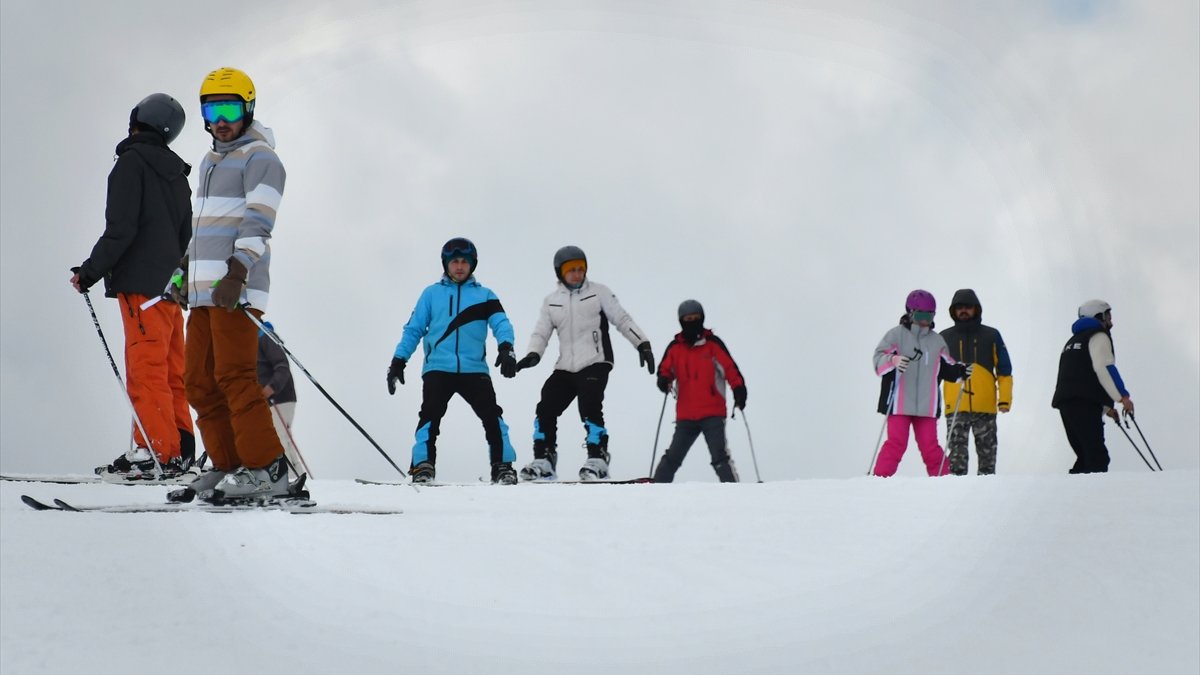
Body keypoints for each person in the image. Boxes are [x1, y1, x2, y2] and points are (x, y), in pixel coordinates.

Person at [71, 92, 195, 478]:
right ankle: (179, 449)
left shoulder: (131, 164)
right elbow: (186, 238)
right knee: (171, 370)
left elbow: (121, 230)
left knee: (146, 369)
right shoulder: (178, 177)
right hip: (171, 290)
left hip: (141, 288)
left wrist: (89, 272)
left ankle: (155, 452)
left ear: (137, 119)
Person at [182, 67, 289, 499]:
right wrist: (183, 271)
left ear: (248, 109)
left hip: (235, 289)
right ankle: (228, 464)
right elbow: (204, 226)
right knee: (198, 381)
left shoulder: (261, 158)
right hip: (203, 291)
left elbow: (258, 222)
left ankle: (268, 469)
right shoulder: (210, 162)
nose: (221, 120)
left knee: (235, 376)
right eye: (212, 111)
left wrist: (237, 272)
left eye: (229, 109)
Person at [514, 246, 655, 481]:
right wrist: (533, 354)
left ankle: (598, 458)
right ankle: (544, 459)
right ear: (560, 273)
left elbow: (622, 319)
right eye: (571, 270)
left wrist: (642, 344)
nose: (577, 274)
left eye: (581, 269)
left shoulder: (599, 292)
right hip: (565, 366)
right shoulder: (552, 301)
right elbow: (541, 333)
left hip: (595, 360)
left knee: (589, 404)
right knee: (546, 405)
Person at [387, 237, 520, 485]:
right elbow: (413, 329)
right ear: (446, 264)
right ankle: (422, 466)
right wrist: (398, 361)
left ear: (472, 265)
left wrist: (506, 348)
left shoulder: (485, 295)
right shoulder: (431, 294)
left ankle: (503, 467)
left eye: (464, 262)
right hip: (438, 368)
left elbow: (502, 323)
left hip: (474, 369)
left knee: (492, 417)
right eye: (454, 262)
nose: (459, 266)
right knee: (429, 417)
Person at [871, 290, 968, 477]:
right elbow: (878, 361)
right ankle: (879, 480)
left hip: (926, 405)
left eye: (929, 316)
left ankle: (943, 481)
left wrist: (961, 371)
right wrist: (893, 360)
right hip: (899, 403)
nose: (925, 320)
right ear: (910, 313)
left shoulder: (936, 341)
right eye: (920, 315)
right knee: (896, 443)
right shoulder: (895, 335)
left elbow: (947, 367)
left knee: (930, 446)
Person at [651, 300, 746, 483]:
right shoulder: (675, 348)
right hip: (686, 415)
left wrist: (739, 389)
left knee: (719, 457)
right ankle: (656, 489)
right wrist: (664, 380)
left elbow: (730, 369)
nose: (692, 322)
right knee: (672, 457)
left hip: (713, 413)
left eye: (696, 318)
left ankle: (734, 492)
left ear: (702, 319)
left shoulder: (712, 345)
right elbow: (665, 370)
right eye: (688, 319)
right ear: (681, 321)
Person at [1051, 299, 1134, 474]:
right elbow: (1104, 368)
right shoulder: (1098, 336)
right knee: (1097, 457)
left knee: (1085, 456)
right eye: (1108, 315)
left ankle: (1073, 489)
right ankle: (1093, 491)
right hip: (1084, 403)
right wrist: (1123, 397)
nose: (1111, 321)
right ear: (1099, 316)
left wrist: (1106, 408)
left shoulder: (1072, 341)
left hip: (1066, 403)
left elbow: (1081, 376)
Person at [939, 289, 1014, 475]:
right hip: (955, 406)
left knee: (987, 461)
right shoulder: (944, 337)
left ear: (976, 309)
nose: (963, 311)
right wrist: (930, 406)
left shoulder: (991, 335)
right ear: (953, 311)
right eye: (959, 307)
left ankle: (986, 490)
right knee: (956, 464)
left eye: (968, 307)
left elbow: (1004, 370)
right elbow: (934, 373)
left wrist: (1004, 400)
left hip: (985, 407)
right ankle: (956, 491)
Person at [257, 321, 308, 477]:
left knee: (278, 437)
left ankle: (287, 477)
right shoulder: (256, 338)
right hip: (276, 398)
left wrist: (271, 387)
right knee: (283, 437)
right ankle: (297, 476)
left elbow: (282, 365)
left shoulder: (264, 335)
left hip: (278, 398)